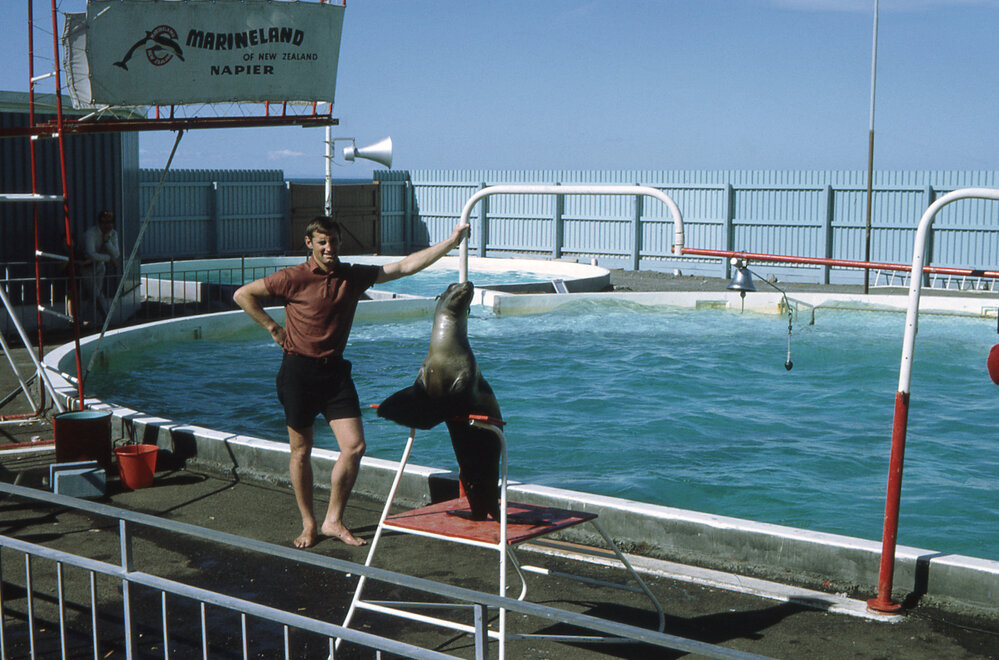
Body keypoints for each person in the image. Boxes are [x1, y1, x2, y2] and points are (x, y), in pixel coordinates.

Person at [233, 216, 470, 548]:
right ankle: (308, 523)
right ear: (309, 243)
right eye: (322, 243)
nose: (329, 248)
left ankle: (333, 520)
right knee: (301, 451)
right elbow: (243, 294)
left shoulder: (352, 276)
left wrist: (451, 242)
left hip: (335, 374)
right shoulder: (292, 278)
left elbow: (403, 267)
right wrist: (274, 330)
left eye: (333, 241)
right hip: (298, 373)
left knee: (355, 447)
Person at [79, 210, 121, 322]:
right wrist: (109, 258)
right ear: (99, 223)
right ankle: (107, 319)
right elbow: (91, 254)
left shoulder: (113, 234)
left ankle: (85, 320)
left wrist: (107, 241)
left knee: (95, 295)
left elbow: (116, 253)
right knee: (97, 294)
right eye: (104, 222)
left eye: (110, 222)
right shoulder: (91, 233)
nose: (108, 225)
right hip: (86, 266)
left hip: (99, 266)